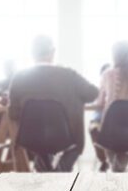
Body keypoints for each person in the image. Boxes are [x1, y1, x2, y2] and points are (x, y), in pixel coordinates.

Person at [8, 35, 98, 172]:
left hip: (31, 138)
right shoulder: (68, 75)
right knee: (69, 147)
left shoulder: (19, 77)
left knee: (41, 149)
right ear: (52, 52)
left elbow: (13, 113)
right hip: (67, 138)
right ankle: (58, 171)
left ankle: (46, 168)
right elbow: (93, 93)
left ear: (32, 54)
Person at [95, 41, 128, 172]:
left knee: (95, 128)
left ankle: (116, 171)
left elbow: (99, 102)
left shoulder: (108, 74)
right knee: (119, 164)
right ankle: (118, 171)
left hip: (110, 130)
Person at [89, 63, 111, 172]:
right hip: (98, 121)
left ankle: (114, 160)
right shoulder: (98, 90)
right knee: (93, 129)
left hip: (116, 122)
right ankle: (104, 161)